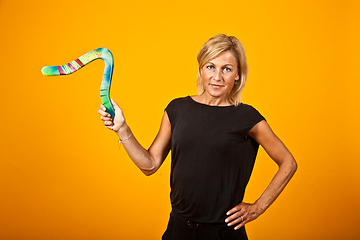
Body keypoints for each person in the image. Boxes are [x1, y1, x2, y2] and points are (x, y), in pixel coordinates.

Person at [98, 34, 297, 240]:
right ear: (201, 69)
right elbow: (150, 165)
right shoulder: (177, 109)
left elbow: (288, 163)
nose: (217, 77)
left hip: (223, 234)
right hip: (178, 230)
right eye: (210, 66)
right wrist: (122, 129)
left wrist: (258, 207)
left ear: (237, 74)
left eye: (227, 69)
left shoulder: (247, 117)